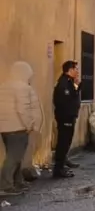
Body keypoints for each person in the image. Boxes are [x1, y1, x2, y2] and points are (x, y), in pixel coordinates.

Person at [0, 61, 44, 196]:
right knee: (14, 158)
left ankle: (17, 182)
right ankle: (5, 186)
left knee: (15, 156)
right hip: (18, 127)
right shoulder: (23, 88)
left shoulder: (4, 86)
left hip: (5, 128)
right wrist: (29, 125)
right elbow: (23, 109)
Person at [52, 60, 82, 178]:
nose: (77, 71)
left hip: (69, 116)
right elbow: (66, 101)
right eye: (76, 69)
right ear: (70, 70)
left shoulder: (69, 81)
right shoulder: (64, 83)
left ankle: (62, 164)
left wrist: (77, 85)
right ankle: (59, 169)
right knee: (63, 142)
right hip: (66, 117)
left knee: (66, 141)